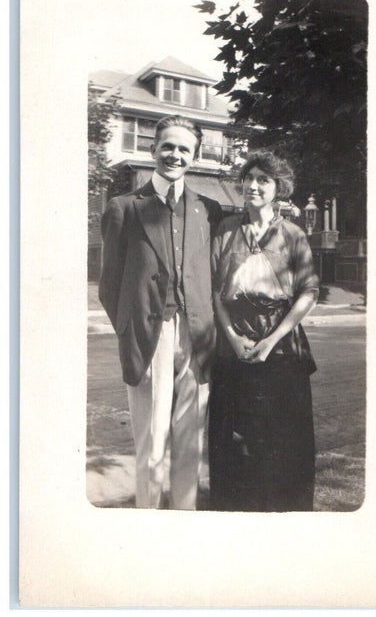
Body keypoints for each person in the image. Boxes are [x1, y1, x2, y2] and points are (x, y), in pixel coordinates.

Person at [99, 115, 222, 510]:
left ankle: (183, 524)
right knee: (151, 443)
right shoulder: (124, 208)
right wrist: (129, 329)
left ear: (195, 156)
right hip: (149, 334)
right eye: (168, 146)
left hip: (197, 335)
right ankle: (147, 526)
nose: (175, 154)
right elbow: (109, 284)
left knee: (190, 442)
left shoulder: (209, 209)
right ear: (152, 150)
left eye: (184, 148)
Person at [209, 151, 318, 512]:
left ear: (278, 188)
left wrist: (272, 340)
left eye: (263, 180)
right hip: (232, 348)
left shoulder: (293, 234)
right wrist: (232, 337)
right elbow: (214, 291)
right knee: (233, 440)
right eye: (249, 178)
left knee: (282, 441)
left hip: (282, 349)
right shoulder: (225, 230)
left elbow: (309, 293)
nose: (253, 186)